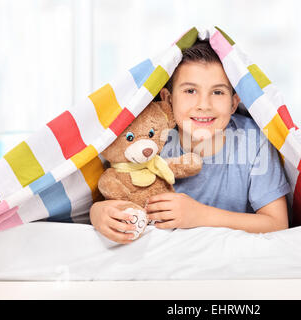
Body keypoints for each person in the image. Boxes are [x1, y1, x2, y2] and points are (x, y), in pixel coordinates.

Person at [90, 40, 290, 244]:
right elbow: (115, 187)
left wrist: (200, 215)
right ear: (168, 99)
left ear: (233, 103)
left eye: (218, 92)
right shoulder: (149, 139)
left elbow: (277, 223)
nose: (204, 105)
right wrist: (98, 212)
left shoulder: (254, 141)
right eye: (190, 91)